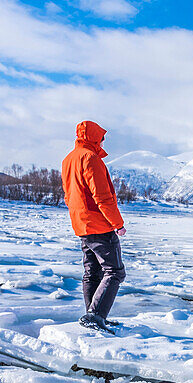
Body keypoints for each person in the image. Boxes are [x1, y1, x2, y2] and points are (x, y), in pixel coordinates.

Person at [61, 120, 126, 332]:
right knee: (115, 271)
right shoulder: (91, 158)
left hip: (81, 224)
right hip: (99, 224)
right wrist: (117, 224)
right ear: (93, 137)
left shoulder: (68, 159)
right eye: (101, 137)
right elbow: (103, 196)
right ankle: (96, 316)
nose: (103, 141)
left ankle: (93, 316)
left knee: (93, 272)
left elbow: (68, 195)